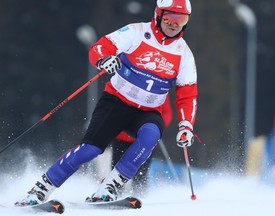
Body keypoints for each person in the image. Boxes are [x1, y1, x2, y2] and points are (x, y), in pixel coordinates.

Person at [15, 0, 198, 206]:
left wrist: (186, 126)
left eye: (181, 19)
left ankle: (110, 187)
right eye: (169, 17)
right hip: (116, 103)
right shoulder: (136, 32)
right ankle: (42, 187)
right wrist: (104, 59)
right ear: (158, 15)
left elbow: (187, 94)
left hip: (147, 111)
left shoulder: (184, 54)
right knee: (90, 150)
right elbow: (101, 47)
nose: (174, 24)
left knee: (151, 135)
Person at [110, 95, 172, 195]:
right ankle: (113, 193)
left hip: (145, 140)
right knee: (116, 170)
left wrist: (157, 127)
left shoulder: (160, 90)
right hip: (121, 138)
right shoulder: (127, 86)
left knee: (141, 172)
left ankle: (140, 194)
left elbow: (166, 113)